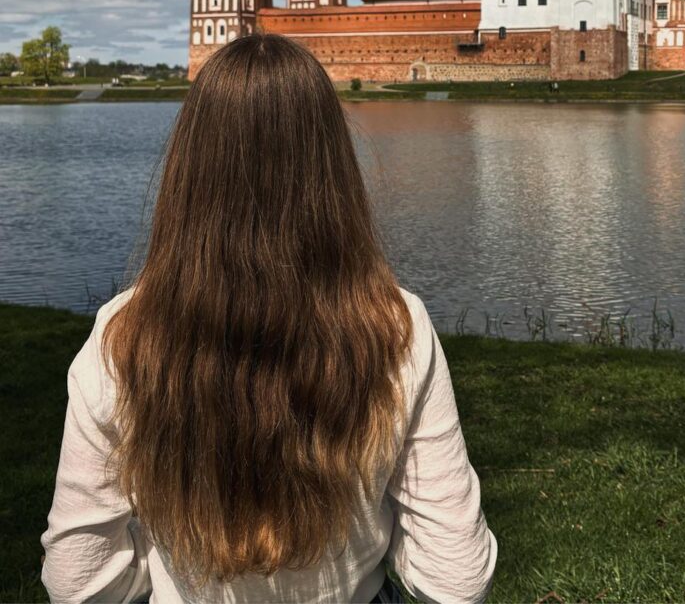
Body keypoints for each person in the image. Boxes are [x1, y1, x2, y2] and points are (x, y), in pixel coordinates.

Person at [41, 34, 497, 604]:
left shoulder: (124, 334)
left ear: (189, 166)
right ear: (333, 166)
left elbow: (77, 581)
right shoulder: (395, 324)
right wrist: (382, 550)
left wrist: (157, 584)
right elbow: (457, 579)